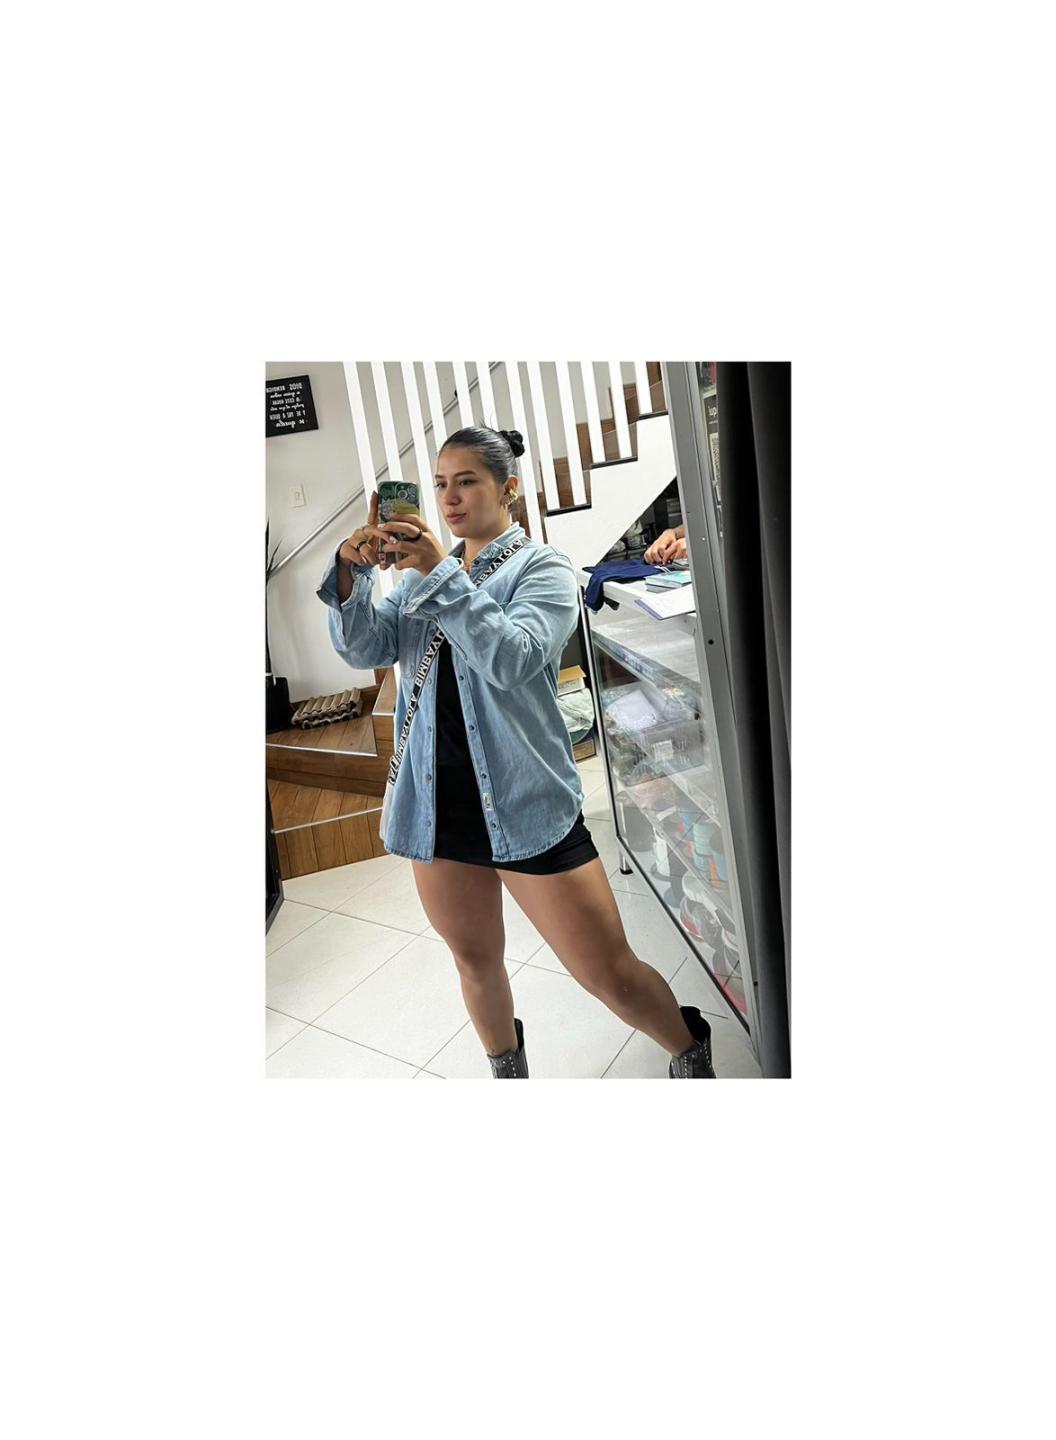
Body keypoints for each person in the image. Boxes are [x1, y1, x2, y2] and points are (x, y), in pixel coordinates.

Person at [317, 425, 715, 1079]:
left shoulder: (543, 569)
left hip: (525, 802)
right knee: (474, 962)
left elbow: (514, 659)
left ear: (508, 488)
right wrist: (350, 571)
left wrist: (439, 572)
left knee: (606, 972)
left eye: (466, 481)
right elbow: (365, 648)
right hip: (438, 807)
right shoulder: (420, 581)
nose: (449, 497)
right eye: (439, 484)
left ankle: (688, 1047)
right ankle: (509, 1073)